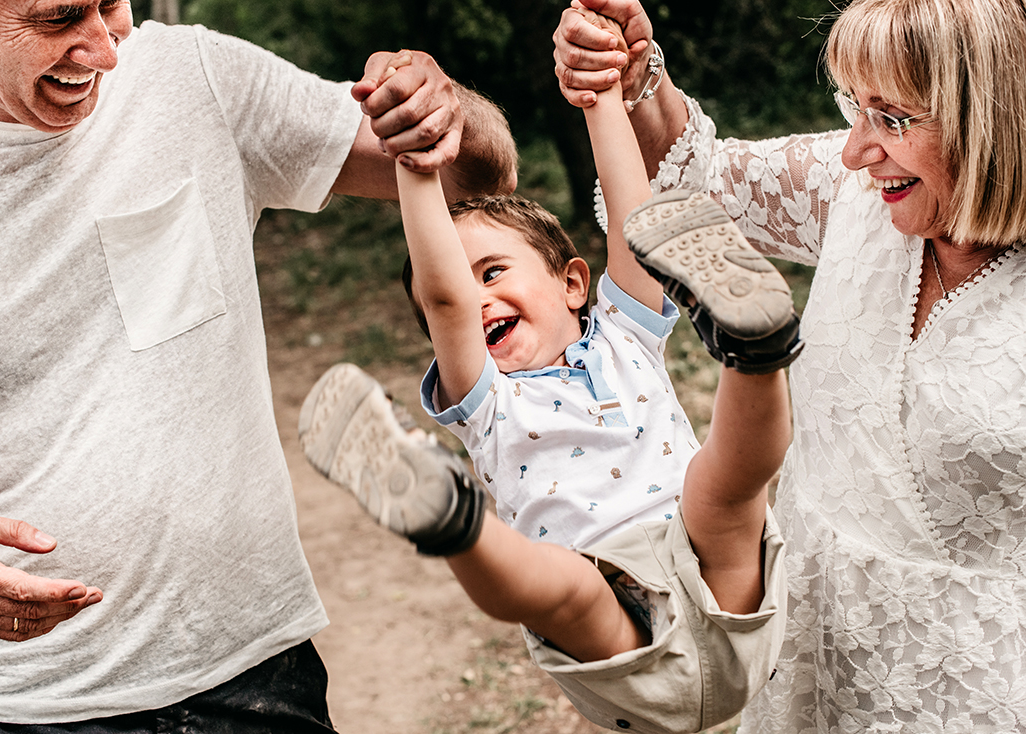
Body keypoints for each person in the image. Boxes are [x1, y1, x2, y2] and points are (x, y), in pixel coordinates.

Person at [0, 0, 516, 729]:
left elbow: (478, 180)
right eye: (57, 20)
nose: (105, 52)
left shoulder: (194, 76)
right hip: (28, 703)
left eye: (111, 7)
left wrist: (436, 104)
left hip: (257, 678)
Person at [298, 31, 800, 732]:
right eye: (455, 294)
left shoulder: (625, 337)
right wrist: (415, 163)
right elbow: (443, 295)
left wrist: (599, 101)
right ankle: (449, 516)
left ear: (571, 283)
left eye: (493, 273)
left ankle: (758, 344)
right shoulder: (489, 402)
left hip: (709, 570)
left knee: (725, 490)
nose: (475, 302)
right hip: (614, 609)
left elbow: (637, 226)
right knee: (564, 590)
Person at [553, 0, 1026, 731]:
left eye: (892, 118)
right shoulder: (854, 193)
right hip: (809, 642)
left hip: (974, 689)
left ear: (993, 116)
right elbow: (689, 189)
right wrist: (636, 77)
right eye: (854, 107)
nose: (855, 150)